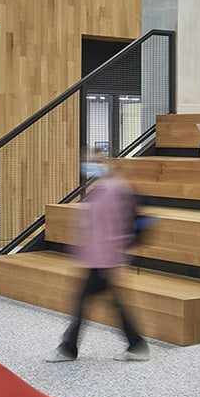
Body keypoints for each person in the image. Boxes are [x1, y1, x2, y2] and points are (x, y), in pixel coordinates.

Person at [46, 152, 150, 363]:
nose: (90, 165)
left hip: (105, 260)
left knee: (83, 302)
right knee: (111, 303)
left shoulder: (114, 190)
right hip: (98, 258)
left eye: (95, 162)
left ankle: (68, 348)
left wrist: (117, 261)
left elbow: (116, 229)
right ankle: (136, 344)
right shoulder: (100, 189)